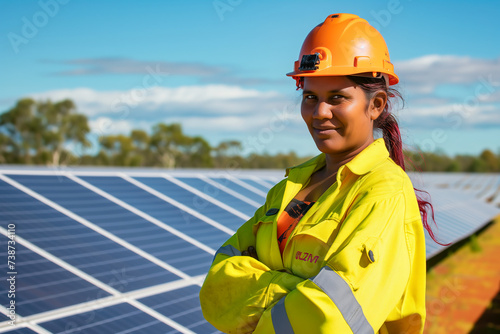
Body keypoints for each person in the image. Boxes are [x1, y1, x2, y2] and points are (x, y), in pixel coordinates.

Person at [200, 13, 436, 333]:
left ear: (376, 104)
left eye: (337, 98)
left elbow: (330, 319)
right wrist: (293, 291)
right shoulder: (292, 184)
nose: (320, 113)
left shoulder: (384, 192)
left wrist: (255, 293)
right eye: (310, 97)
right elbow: (216, 286)